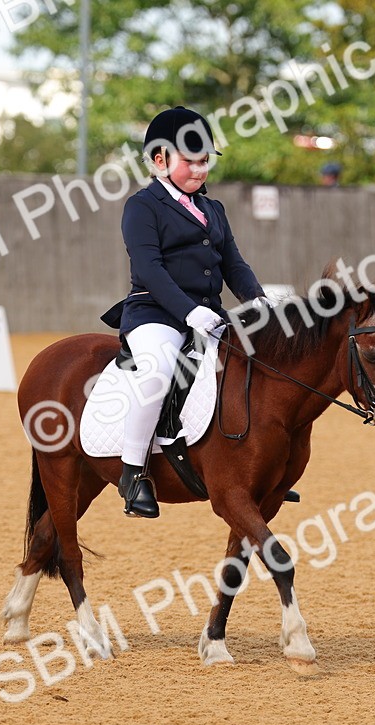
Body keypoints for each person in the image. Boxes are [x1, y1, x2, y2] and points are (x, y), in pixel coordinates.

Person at [110, 106, 271, 518]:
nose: (200, 171)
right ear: (160, 160)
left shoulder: (213, 209)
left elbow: (233, 263)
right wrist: (187, 312)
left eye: (205, 162)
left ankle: (254, 469)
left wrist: (258, 300)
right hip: (156, 314)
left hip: (211, 315)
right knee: (159, 371)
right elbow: (150, 268)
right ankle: (133, 473)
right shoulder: (142, 207)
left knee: (255, 369)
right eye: (191, 162)